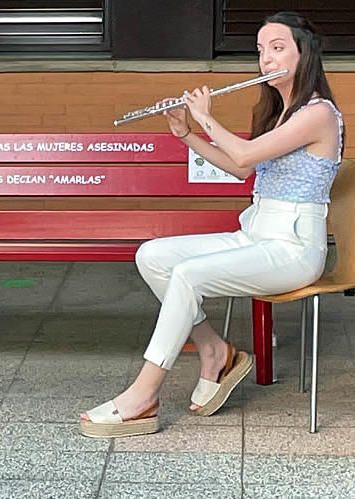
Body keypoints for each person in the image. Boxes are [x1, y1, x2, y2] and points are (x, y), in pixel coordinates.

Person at [80, 11, 344, 438]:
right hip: (256, 235)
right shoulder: (277, 112)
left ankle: (143, 395)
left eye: (278, 49)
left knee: (187, 275)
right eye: (261, 51)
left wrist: (206, 116)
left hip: (294, 249)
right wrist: (187, 133)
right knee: (153, 256)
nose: (266, 60)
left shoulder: (319, 114)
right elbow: (241, 170)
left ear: (304, 53)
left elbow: (241, 156)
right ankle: (214, 350)